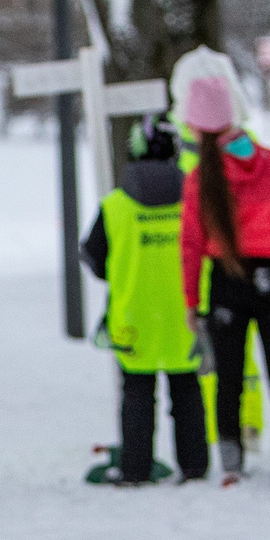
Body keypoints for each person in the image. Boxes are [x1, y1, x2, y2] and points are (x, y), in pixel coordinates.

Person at [178, 74, 270, 479]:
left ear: (195, 126)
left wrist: (191, 301)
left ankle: (232, 463)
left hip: (226, 280)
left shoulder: (199, 178)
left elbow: (190, 245)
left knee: (229, 377)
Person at [82, 117, 208, 484]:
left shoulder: (115, 206)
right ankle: (195, 468)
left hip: (133, 315)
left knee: (137, 395)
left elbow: (93, 257)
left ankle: (135, 469)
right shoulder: (192, 203)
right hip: (184, 313)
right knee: (187, 392)